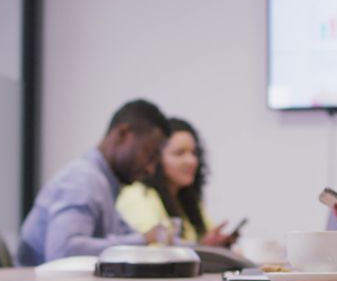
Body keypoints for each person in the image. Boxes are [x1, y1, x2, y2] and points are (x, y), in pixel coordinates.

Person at [17, 99, 171, 265]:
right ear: (123, 134)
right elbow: (63, 251)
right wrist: (143, 239)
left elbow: (124, 233)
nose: (150, 169)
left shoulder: (105, 184)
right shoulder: (84, 180)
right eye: (149, 155)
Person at [116, 117, 235, 247]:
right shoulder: (137, 195)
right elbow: (156, 249)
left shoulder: (187, 198)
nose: (191, 161)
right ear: (155, 158)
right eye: (179, 153)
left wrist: (213, 245)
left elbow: (202, 243)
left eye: (194, 153)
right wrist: (202, 248)